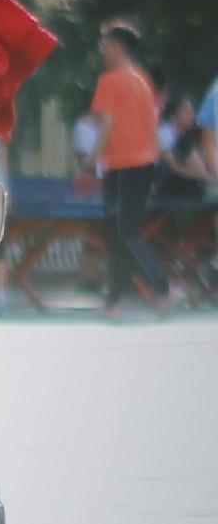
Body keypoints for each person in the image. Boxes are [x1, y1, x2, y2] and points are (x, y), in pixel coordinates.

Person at [89, 23, 172, 315]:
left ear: (119, 48)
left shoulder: (111, 80)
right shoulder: (142, 79)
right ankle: (116, 301)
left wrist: (89, 162)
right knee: (122, 233)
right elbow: (153, 125)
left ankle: (162, 288)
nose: (102, 49)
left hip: (122, 165)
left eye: (106, 44)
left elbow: (107, 125)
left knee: (122, 234)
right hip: (145, 164)